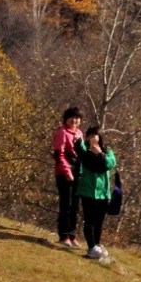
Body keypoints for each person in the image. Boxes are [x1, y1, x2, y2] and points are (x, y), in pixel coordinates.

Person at [75, 126, 118, 262]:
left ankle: (96, 246)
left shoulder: (107, 151)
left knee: (99, 221)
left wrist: (100, 154)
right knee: (89, 220)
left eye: (95, 135)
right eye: (90, 135)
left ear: (100, 137)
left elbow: (111, 163)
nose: (93, 138)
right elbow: (79, 147)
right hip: (88, 191)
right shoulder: (84, 152)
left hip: (103, 193)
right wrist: (77, 139)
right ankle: (91, 247)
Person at [52, 107, 83, 249]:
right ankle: (64, 235)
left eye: (77, 118)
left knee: (75, 206)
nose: (74, 120)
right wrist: (67, 172)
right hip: (64, 174)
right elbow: (59, 155)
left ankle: (72, 235)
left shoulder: (79, 133)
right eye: (72, 117)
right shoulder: (62, 133)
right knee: (66, 205)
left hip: (78, 174)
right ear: (66, 119)